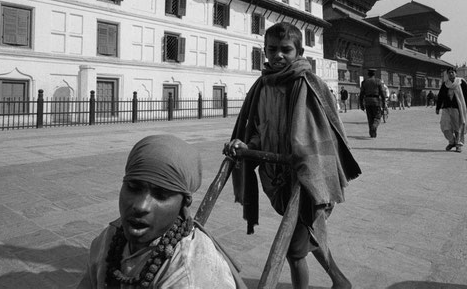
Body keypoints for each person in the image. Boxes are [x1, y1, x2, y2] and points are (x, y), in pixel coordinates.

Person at [224, 22, 361, 289]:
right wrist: (245, 144)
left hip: (309, 180)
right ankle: (340, 281)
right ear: (264, 51)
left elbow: (320, 133)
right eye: (272, 49)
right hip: (279, 179)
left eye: (285, 50)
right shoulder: (262, 87)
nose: (278, 56)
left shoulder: (308, 84)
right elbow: (260, 130)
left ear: (299, 52)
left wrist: (306, 162)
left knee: (294, 251)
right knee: (308, 234)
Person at [77, 134, 245, 289]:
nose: (141, 206)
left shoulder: (191, 275)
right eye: (134, 188)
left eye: (161, 195)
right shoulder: (109, 238)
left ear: (184, 204)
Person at [435, 67, 467, 153]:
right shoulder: (445, 84)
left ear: (455, 73)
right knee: (445, 126)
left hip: (457, 108)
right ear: (447, 74)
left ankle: (458, 144)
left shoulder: (461, 83)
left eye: (452, 72)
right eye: (449, 73)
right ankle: (452, 141)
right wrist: (438, 107)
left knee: (458, 127)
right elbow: (440, 97)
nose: (451, 74)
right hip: (446, 108)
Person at [359, 68, 387, 138]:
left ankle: (372, 134)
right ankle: (374, 127)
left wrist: (361, 104)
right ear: (374, 74)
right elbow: (382, 93)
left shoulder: (364, 82)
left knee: (370, 118)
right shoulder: (378, 81)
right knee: (377, 117)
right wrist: (384, 102)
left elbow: (361, 94)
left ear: (368, 74)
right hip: (376, 101)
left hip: (367, 101)